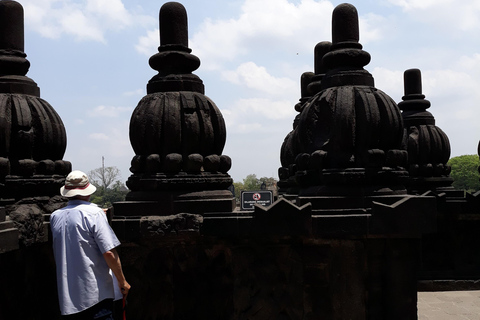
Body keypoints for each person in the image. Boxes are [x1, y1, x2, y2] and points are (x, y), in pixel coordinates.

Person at [50, 170, 131, 319]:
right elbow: (109, 253)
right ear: (88, 192)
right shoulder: (94, 214)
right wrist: (122, 281)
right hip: (96, 295)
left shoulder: (55, 216)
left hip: (68, 300)